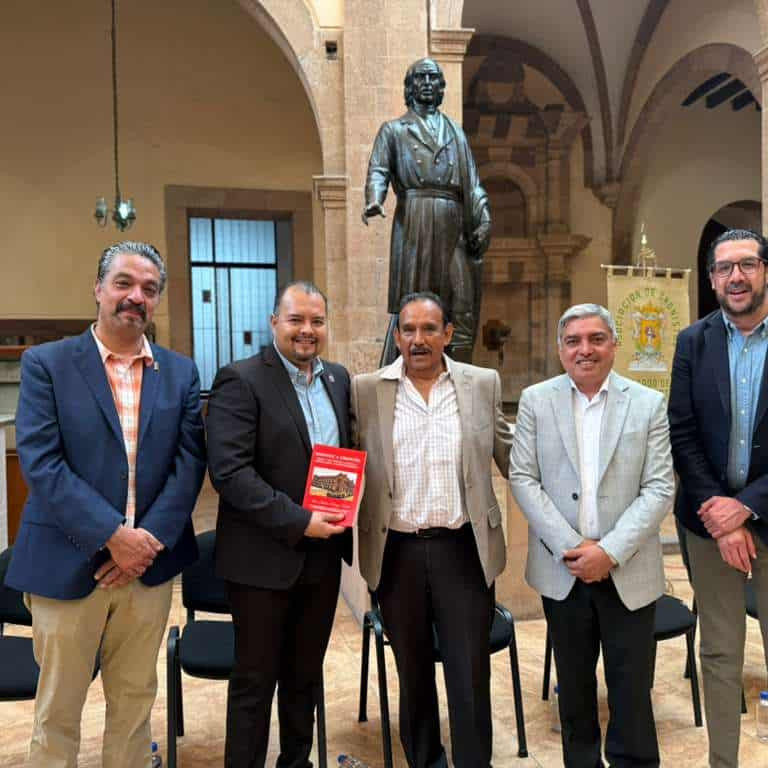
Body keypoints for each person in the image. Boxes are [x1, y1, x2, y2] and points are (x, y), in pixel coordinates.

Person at [5, 241, 206, 768]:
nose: (135, 297)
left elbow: (189, 467)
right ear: (98, 289)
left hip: (149, 569)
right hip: (67, 565)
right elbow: (42, 462)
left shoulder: (181, 373)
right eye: (123, 283)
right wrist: (114, 537)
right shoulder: (47, 364)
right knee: (57, 714)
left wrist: (143, 545)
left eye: (148, 288)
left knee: (135, 704)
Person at [509, 303, 674, 768]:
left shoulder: (647, 404)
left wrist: (610, 551)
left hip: (629, 571)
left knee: (632, 694)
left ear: (614, 345)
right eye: (574, 341)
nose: (586, 349)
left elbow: (660, 486)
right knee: (575, 693)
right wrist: (574, 548)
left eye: (596, 338)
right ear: (560, 351)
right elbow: (523, 477)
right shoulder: (536, 401)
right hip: (564, 574)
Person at [351, 291, 511, 768]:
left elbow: (515, 459)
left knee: (469, 675)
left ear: (448, 334)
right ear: (396, 335)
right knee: (413, 674)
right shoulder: (365, 389)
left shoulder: (481, 384)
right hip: (395, 552)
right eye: (408, 329)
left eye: (428, 329)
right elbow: (341, 460)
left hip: (463, 550)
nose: (417, 340)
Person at [206, 281, 352, 768]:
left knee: (304, 678)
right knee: (255, 682)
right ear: (274, 323)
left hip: (323, 559)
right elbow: (230, 473)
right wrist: (301, 521)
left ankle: (297, 762)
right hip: (261, 563)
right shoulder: (241, 379)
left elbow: (339, 461)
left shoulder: (338, 379)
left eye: (316, 321)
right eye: (296, 320)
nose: (307, 331)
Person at [668, 228, 768, 768]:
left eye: (747, 264)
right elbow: (681, 432)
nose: (736, 276)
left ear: (765, 271)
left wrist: (747, 506)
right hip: (708, 526)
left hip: (766, 517)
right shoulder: (692, 342)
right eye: (724, 268)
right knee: (720, 652)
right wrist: (722, 518)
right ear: (710, 280)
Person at [362, 58, 491, 364]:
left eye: (434, 78)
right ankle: (404, 368)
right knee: (413, 302)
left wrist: (483, 217)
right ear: (410, 87)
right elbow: (379, 169)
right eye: (421, 78)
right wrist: (374, 199)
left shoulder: (455, 132)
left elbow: (471, 181)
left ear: (441, 86)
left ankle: (459, 373)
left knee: (462, 302)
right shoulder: (394, 130)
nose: (428, 83)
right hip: (415, 219)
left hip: (452, 221)